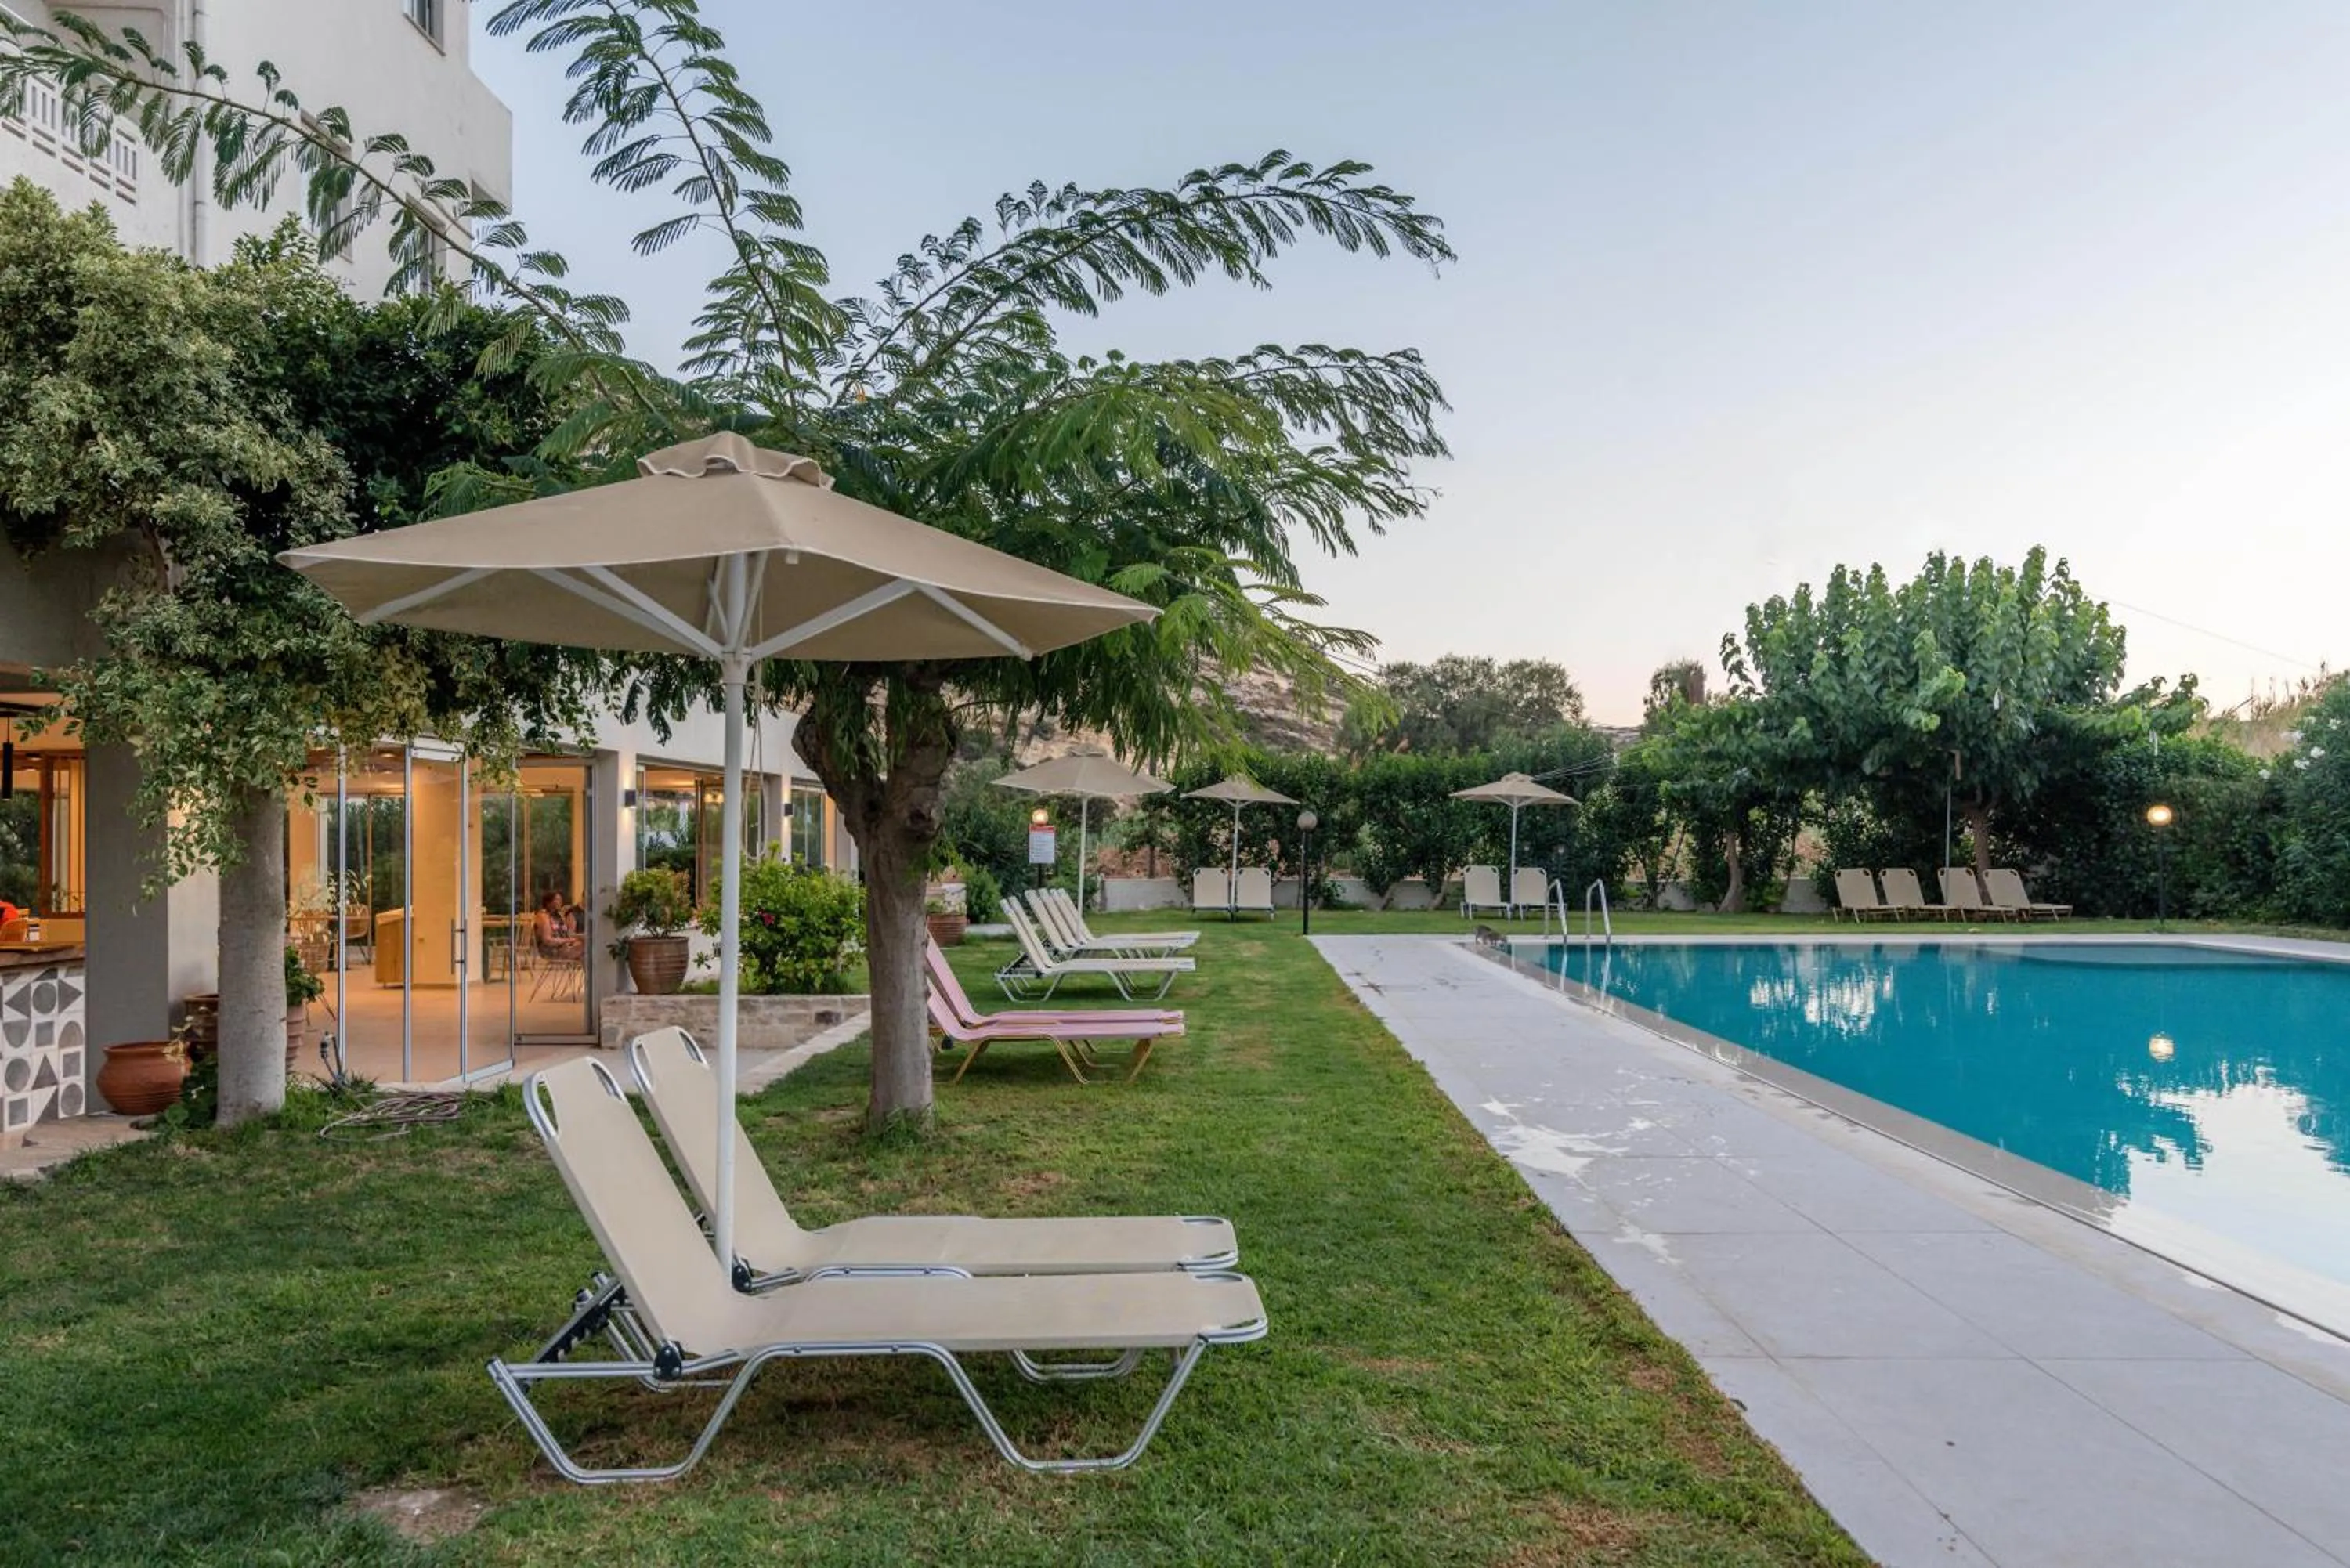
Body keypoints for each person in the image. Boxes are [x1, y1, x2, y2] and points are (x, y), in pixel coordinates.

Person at [533, 891, 584, 961]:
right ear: (548, 902)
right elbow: (547, 940)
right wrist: (566, 941)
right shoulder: (544, 916)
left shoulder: (558, 916)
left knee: (588, 944)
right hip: (551, 951)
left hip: (564, 947)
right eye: (556, 900)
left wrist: (580, 937)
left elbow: (567, 934)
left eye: (560, 900)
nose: (560, 902)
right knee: (588, 948)